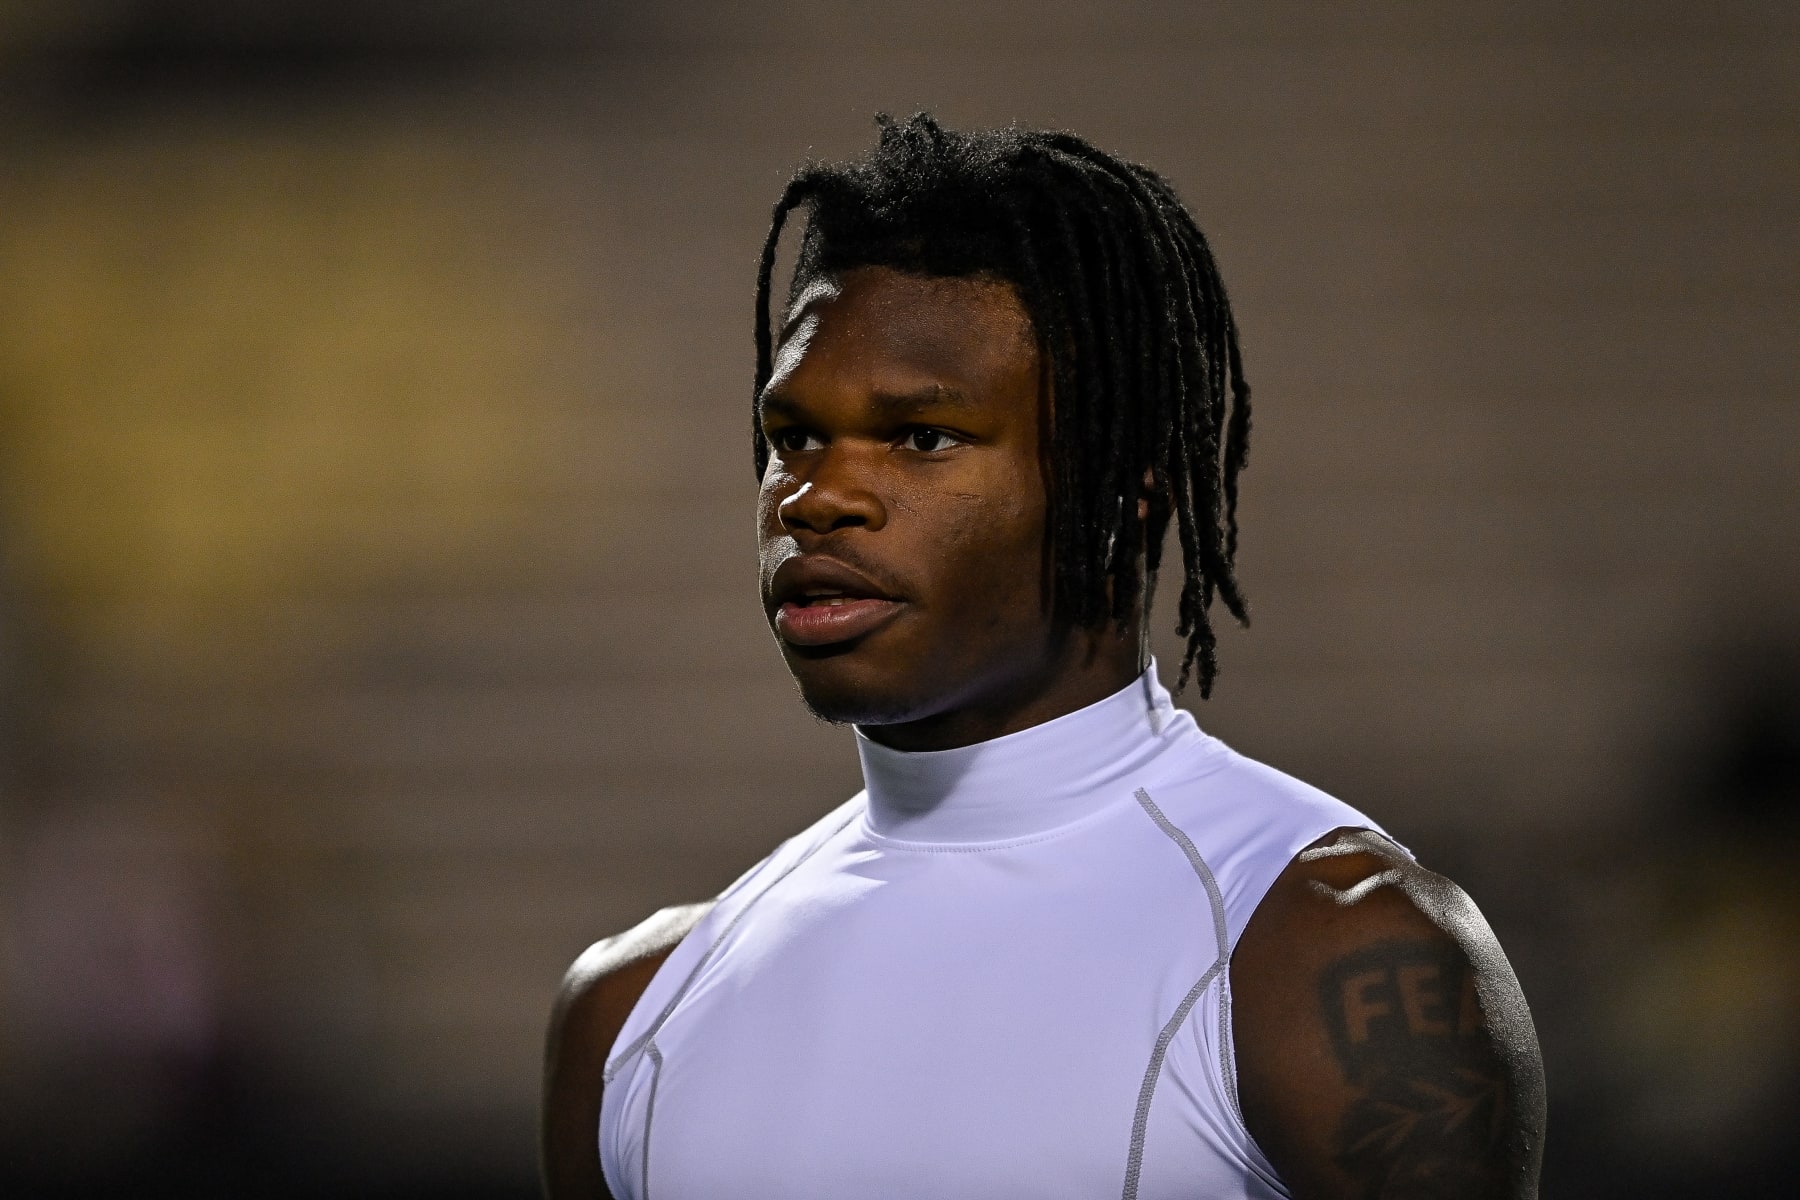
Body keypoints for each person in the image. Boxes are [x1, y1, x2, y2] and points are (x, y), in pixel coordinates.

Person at [542, 114, 1545, 1200]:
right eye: (794, 436)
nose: (816, 496)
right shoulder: (631, 1014)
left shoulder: (1328, 955)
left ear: (1119, 494)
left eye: (922, 438)